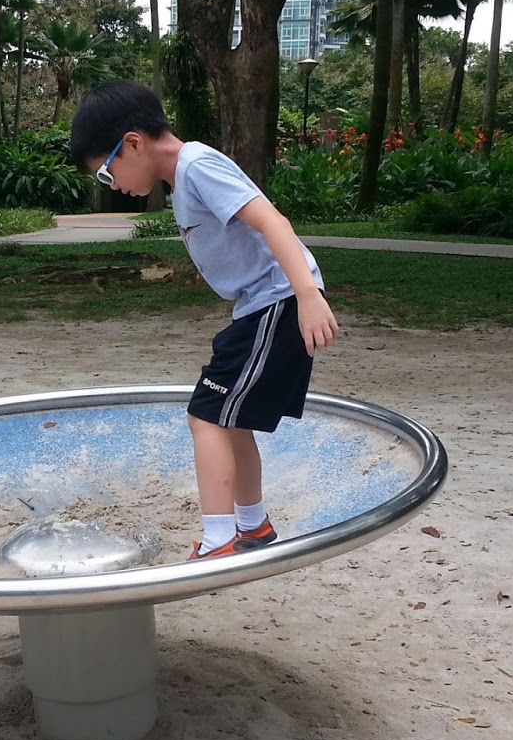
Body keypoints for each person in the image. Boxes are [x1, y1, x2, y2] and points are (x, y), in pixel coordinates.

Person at [69, 81, 340, 559]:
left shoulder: (197, 167)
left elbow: (272, 221)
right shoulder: (184, 178)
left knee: (206, 415)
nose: (113, 186)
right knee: (231, 420)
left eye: (107, 174)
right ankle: (253, 527)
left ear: (132, 143)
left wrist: (306, 295)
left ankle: (219, 540)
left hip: (277, 301)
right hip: (261, 306)